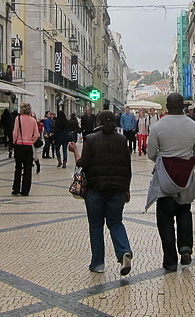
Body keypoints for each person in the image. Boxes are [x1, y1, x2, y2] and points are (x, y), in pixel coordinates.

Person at [68, 110, 134, 275]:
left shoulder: (90, 139)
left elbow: (82, 163)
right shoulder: (122, 140)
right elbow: (128, 167)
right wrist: (127, 188)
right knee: (116, 223)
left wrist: (75, 151)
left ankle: (98, 264)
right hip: (117, 189)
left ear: (98, 122)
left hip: (95, 190)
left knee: (96, 226)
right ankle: (124, 251)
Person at [145, 92, 195, 272]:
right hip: (186, 177)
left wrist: (165, 160)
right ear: (183, 106)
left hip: (165, 179)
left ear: (167, 106)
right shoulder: (194, 126)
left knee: (165, 220)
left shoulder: (157, 126)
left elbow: (151, 154)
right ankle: (185, 247)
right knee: (185, 211)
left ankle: (170, 261)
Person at [12, 101, 39, 196]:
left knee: (18, 167)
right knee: (28, 169)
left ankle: (16, 189)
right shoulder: (33, 120)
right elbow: (36, 134)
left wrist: (14, 141)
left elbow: (15, 132)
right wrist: (31, 141)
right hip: (28, 147)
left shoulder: (18, 119)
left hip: (19, 145)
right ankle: (25, 190)